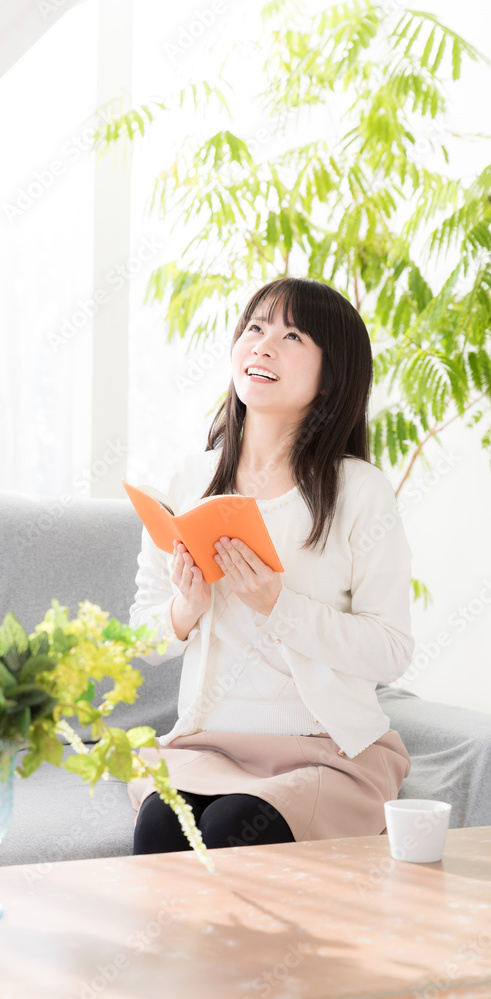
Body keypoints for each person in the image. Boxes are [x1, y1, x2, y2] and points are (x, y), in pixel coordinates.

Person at [126, 275, 414, 855]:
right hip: (207, 747)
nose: (262, 345)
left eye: (291, 336)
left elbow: (392, 650)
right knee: (162, 827)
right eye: (254, 328)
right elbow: (136, 639)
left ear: (330, 376)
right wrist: (187, 607)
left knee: (234, 830)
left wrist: (278, 606)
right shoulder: (187, 481)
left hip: (324, 750)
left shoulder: (359, 490)